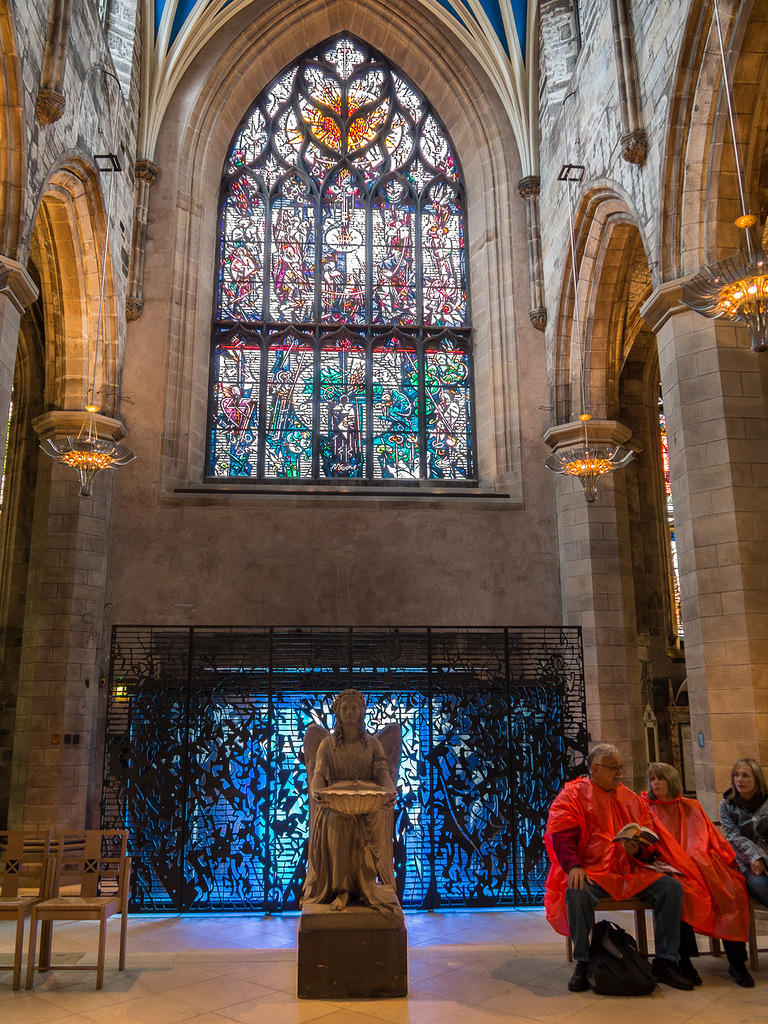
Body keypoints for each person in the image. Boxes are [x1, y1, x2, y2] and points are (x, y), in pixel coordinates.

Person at [545, 743, 710, 993]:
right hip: (592, 871)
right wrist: (574, 866)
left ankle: (666, 961)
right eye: (614, 768)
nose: (619, 773)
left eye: (620, 767)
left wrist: (639, 849)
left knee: (671, 888)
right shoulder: (573, 795)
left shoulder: (629, 797)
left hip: (629, 870)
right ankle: (583, 961)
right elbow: (561, 835)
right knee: (576, 893)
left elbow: (648, 837)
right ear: (596, 769)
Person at [643, 762, 753, 987]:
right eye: (652, 779)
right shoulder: (645, 808)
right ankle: (684, 961)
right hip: (670, 866)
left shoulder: (691, 805)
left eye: (660, 779)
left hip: (699, 860)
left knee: (730, 888)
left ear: (671, 781)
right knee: (681, 892)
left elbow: (708, 836)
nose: (655, 783)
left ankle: (737, 960)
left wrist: (699, 857)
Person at [301, 689, 399, 914]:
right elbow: (319, 773)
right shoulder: (327, 744)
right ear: (337, 711)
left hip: (366, 805)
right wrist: (317, 790)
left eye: (355, 707)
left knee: (370, 820)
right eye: (345, 707)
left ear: (363, 711)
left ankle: (367, 885)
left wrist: (389, 789)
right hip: (336, 804)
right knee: (336, 821)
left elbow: (382, 772)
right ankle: (342, 889)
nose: (349, 712)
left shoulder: (373, 745)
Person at [720, 757, 768, 908]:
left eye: (745, 775)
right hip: (747, 860)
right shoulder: (727, 805)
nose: (740, 780)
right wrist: (755, 858)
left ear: (756, 778)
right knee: (760, 884)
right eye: (736, 775)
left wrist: (764, 860)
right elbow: (734, 837)